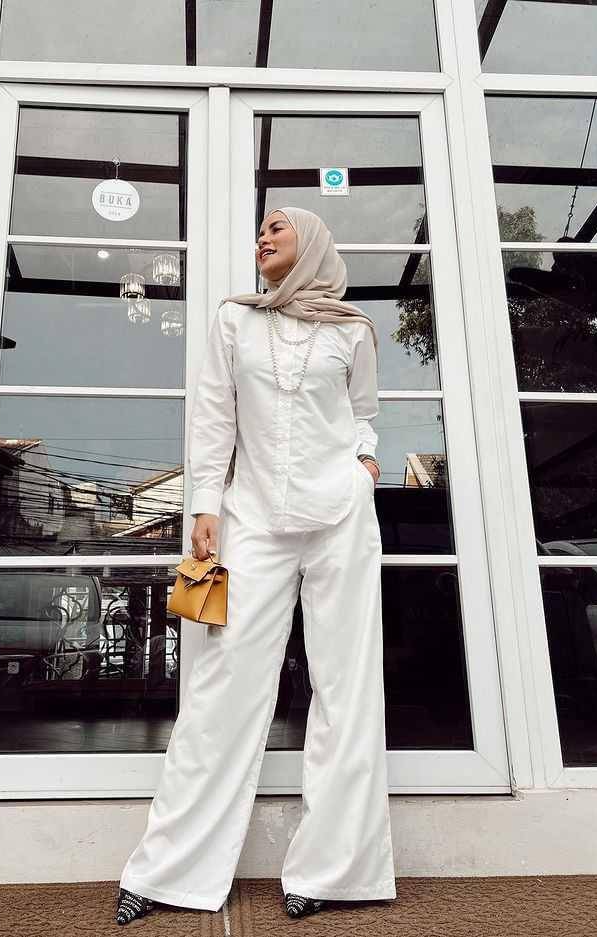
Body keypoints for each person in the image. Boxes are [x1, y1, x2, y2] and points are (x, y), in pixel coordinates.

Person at [115, 206, 396, 924]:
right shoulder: (235, 320)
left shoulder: (352, 329)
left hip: (340, 516)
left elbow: (364, 414)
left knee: (346, 687)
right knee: (223, 687)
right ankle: (169, 871)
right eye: (260, 232)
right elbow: (213, 415)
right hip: (252, 517)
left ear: (313, 241)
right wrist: (203, 504)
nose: (263, 238)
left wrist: (365, 468)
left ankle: (335, 872)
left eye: (277, 227)